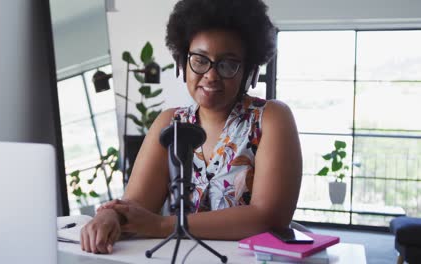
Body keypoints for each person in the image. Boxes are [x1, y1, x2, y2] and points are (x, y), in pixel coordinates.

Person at [81, 0, 302, 254]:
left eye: (228, 64)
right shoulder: (169, 123)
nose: (211, 75)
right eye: (200, 59)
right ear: (182, 62)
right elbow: (136, 204)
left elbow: (269, 217)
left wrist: (165, 225)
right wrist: (112, 218)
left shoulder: (271, 118)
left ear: (249, 70)